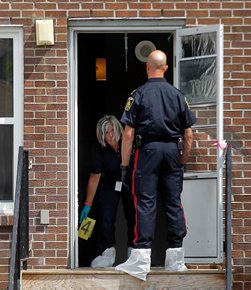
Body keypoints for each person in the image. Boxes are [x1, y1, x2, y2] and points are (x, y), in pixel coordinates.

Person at [115, 50, 197, 280]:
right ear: (166, 68)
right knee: (173, 202)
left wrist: (124, 165)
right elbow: (188, 134)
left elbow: (129, 134)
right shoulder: (178, 95)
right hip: (172, 151)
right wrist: (183, 159)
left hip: (147, 152)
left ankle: (141, 260)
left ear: (147, 67)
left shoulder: (138, 94)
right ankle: (176, 259)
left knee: (145, 202)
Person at [80, 115, 135, 268]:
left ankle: (135, 252)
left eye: (112, 131)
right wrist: (87, 204)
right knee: (106, 214)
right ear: (101, 135)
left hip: (130, 181)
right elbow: (94, 178)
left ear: (118, 129)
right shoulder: (98, 149)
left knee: (133, 215)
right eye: (106, 132)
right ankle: (106, 252)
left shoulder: (129, 142)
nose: (110, 135)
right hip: (111, 182)